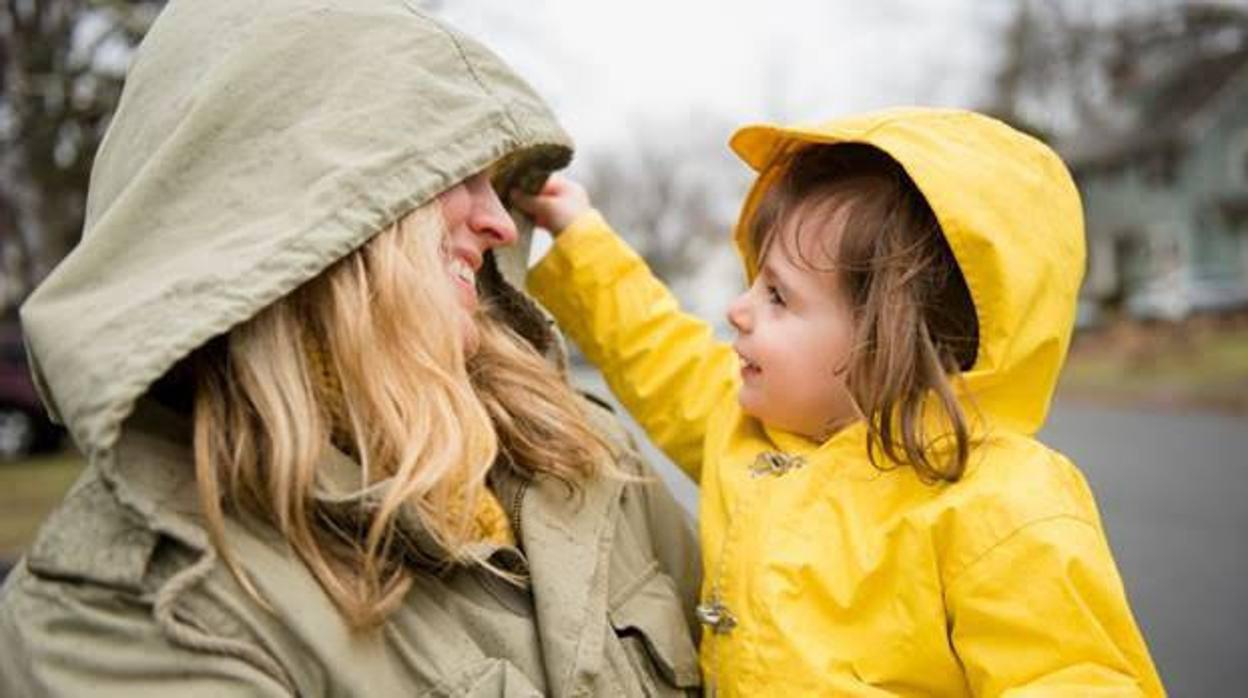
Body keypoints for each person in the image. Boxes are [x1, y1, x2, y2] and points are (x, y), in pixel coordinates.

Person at [0, 1, 703, 695]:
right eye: (452, 170)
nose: (500, 224)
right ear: (307, 198)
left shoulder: (583, 453)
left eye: (496, 181)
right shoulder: (141, 616)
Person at [517, 107, 1165, 695]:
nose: (737, 312)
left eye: (778, 296)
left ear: (891, 340)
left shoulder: (998, 503)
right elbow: (657, 350)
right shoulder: (747, 427)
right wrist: (580, 236)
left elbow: (1076, 679)